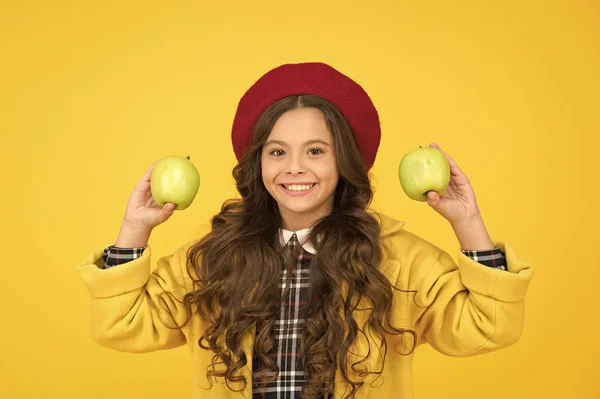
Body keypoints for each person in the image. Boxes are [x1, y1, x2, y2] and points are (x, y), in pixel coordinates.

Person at [76, 62, 534, 399]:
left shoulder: (397, 259)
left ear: (345, 161)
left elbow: (487, 328)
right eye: (277, 152)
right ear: (258, 162)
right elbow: (122, 326)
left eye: (316, 151)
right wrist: (135, 228)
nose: (294, 168)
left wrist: (467, 222)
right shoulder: (215, 257)